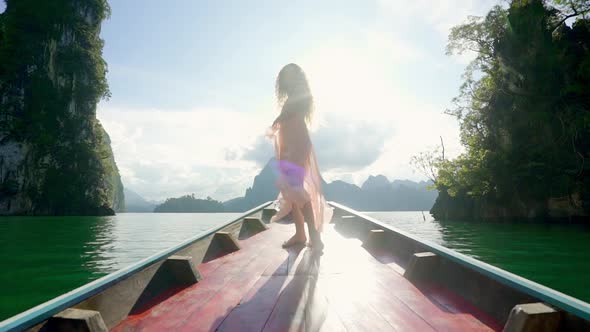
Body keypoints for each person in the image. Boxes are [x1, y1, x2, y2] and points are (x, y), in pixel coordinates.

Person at [267, 63, 333, 250]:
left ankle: (314, 237)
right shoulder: (295, 98)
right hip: (291, 149)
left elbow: (293, 126)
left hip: (296, 148)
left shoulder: (299, 97)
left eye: (288, 76)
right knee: (292, 194)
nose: (285, 80)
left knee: (296, 192)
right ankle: (301, 234)